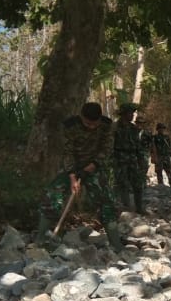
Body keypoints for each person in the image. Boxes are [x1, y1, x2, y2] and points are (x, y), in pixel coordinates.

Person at [36, 102, 123, 250]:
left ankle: (116, 245)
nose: (91, 127)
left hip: (94, 166)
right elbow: (67, 152)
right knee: (52, 196)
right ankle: (41, 239)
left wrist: (92, 166)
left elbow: (106, 149)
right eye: (87, 123)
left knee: (107, 202)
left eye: (94, 124)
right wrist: (72, 176)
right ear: (81, 117)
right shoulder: (70, 126)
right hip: (71, 167)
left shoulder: (106, 126)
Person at [112, 103, 150, 213]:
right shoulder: (114, 127)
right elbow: (109, 145)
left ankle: (139, 208)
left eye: (133, 113)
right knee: (122, 183)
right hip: (119, 159)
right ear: (124, 114)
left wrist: (141, 160)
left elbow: (137, 145)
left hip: (132, 159)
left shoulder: (133, 128)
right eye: (130, 113)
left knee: (138, 183)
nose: (133, 115)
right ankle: (125, 207)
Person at [151, 123, 171, 187]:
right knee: (159, 172)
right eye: (160, 128)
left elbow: (170, 146)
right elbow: (152, 147)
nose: (162, 130)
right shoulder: (155, 137)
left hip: (167, 156)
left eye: (163, 128)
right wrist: (154, 157)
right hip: (159, 156)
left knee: (170, 171)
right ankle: (161, 185)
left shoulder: (167, 137)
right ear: (158, 129)